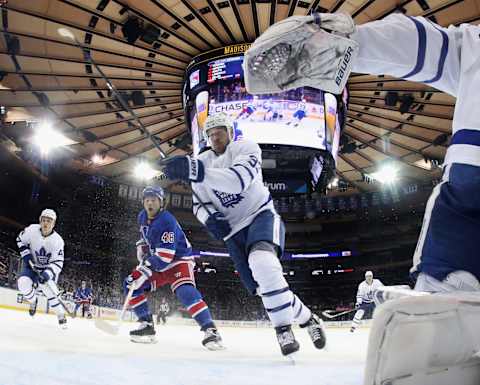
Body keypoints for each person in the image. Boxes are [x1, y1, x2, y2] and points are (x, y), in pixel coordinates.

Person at [244, 12, 480, 293]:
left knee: (442, 304)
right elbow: (443, 48)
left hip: (463, 231)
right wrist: (345, 43)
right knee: (442, 300)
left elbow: (441, 48)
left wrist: (349, 43)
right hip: (462, 235)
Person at [162, 112, 326, 357]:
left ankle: (283, 330)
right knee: (265, 287)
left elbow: (237, 181)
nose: (215, 138)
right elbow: (199, 203)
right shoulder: (202, 160)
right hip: (232, 232)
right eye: (210, 134)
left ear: (231, 132)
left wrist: (195, 170)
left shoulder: (246, 148)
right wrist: (209, 219)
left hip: (259, 215)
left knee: (264, 264)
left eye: (220, 132)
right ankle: (309, 319)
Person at [124, 186, 224, 349]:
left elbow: (165, 257)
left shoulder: (167, 221)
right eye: (147, 200)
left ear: (161, 202)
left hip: (179, 260)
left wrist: (143, 269)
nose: (150, 203)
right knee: (131, 284)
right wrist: (142, 248)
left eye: (154, 200)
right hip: (159, 260)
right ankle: (146, 325)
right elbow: (146, 238)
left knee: (185, 291)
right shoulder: (142, 216)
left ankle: (211, 331)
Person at [16, 209, 67, 328]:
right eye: (43, 220)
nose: (45, 223)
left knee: (50, 291)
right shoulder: (31, 230)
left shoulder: (58, 241)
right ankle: (33, 301)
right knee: (22, 283)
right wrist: (27, 255)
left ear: (53, 224)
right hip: (31, 265)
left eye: (49, 221)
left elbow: (58, 262)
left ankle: (60, 314)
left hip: (46, 269)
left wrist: (47, 274)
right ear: (40, 220)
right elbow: (20, 240)